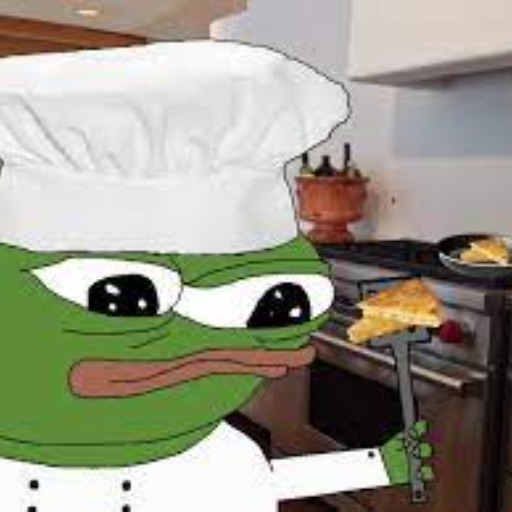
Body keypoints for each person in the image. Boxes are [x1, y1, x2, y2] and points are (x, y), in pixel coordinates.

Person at [0, 40, 432, 512]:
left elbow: (259, 481)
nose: (208, 350)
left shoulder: (222, 459)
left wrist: (378, 464)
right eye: (126, 298)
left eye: (275, 307)